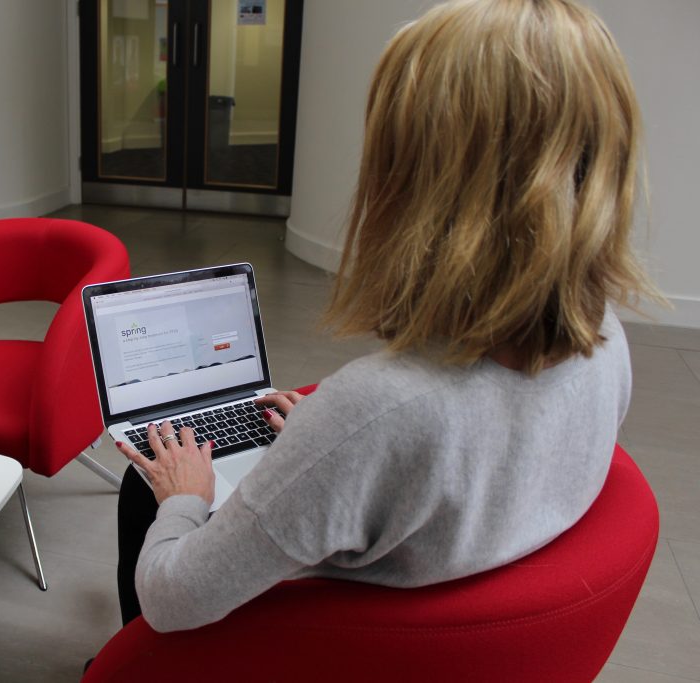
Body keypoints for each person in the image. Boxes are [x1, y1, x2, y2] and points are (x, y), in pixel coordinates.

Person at [113, 0, 664, 633]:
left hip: (294, 653)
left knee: (148, 483)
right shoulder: (606, 341)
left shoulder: (383, 410)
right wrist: (324, 454)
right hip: (451, 643)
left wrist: (187, 497)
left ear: (425, 178)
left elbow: (171, 598)